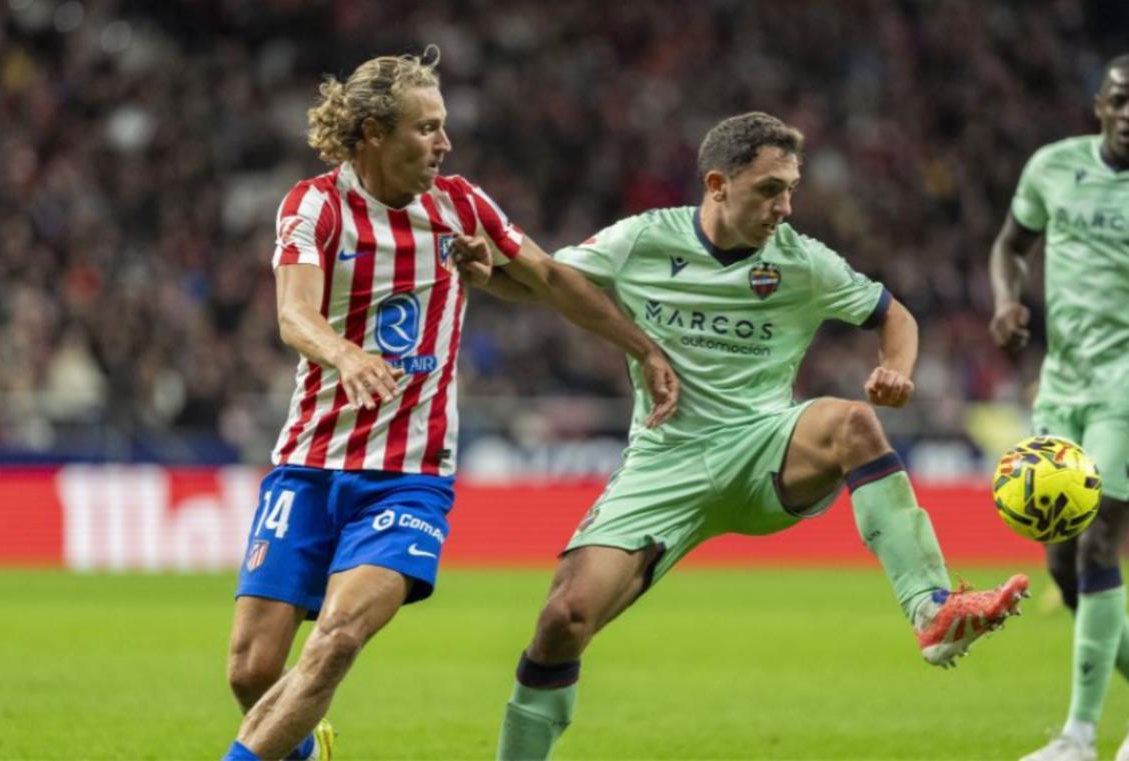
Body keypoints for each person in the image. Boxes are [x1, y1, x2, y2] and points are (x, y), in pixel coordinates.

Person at [470, 112, 1030, 760]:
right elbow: (546, 280)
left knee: (851, 421)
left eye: (790, 188)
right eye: (769, 189)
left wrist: (896, 369)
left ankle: (932, 608)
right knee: (562, 619)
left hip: (765, 446)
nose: (784, 206)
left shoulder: (803, 261)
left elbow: (894, 314)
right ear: (718, 184)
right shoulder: (642, 240)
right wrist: (480, 270)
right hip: (665, 461)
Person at [221, 47, 679, 761]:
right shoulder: (313, 205)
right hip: (307, 463)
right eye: (427, 128)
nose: (445, 143)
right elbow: (293, 314)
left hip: (408, 477)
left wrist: (643, 347)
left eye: (444, 126)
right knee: (252, 670)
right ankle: (308, 749)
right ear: (373, 132)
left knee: (338, 636)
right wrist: (345, 354)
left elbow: (551, 277)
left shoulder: (461, 206)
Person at [988, 54, 1129, 761]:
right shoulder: (1053, 166)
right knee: (1062, 565)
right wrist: (1007, 298)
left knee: (1102, 536)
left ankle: (1079, 736)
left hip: (1126, 386)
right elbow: (1011, 245)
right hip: (1062, 382)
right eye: (1121, 100)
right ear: (1100, 105)